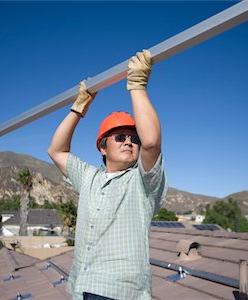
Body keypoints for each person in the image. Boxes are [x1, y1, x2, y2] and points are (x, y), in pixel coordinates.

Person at [48, 49, 167, 300]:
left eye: (133, 138)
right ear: (102, 147)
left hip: (119, 292)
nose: (129, 142)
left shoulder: (141, 181)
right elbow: (56, 150)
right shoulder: (90, 178)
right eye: (120, 137)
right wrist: (78, 109)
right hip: (83, 286)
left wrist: (137, 86)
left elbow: (152, 143)